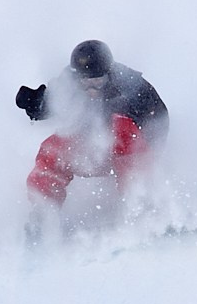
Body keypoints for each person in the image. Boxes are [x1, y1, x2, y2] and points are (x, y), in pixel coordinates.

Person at [15, 39, 168, 214]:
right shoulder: (69, 83)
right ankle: (44, 210)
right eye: (85, 82)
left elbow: (160, 119)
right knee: (53, 148)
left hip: (131, 152)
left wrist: (152, 152)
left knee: (121, 125)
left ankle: (140, 200)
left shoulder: (131, 86)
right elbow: (52, 103)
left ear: (108, 74)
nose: (91, 88)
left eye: (97, 82)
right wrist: (34, 103)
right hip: (90, 152)